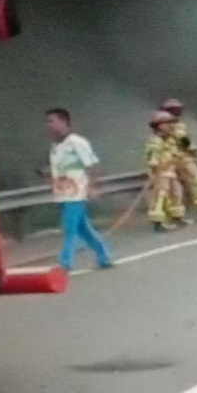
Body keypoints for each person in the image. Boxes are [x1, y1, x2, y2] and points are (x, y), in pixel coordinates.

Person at [45, 108, 112, 271]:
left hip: (76, 193)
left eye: (51, 121)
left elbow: (92, 165)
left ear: (63, 121)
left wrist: (93, 187)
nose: (48, 125)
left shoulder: (77, 142)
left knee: (70, 228)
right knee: (84, 229)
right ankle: (104, 256)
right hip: (62, 193)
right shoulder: (55, 146)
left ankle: (65, 263)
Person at [160, 99, 197, 221]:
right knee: (196, 182)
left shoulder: (161, 125)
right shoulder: (175, 125)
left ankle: (177, 216)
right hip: (181, 160)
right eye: (177, 110)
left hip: (167, 162)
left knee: (175, 189)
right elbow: (184, 144)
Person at [146, 110, 190, 232]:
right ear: (158, 126)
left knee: (177, 193)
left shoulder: (170, 139)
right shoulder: (155, 141)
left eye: (171, 123)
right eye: (167, 123)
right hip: (160, 173)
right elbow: (152, 157)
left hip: (170, 171)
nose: (170, 126)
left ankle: (177, 217)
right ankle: (157, 222)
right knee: (160, 196)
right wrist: (155, 166)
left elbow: (179, 151)